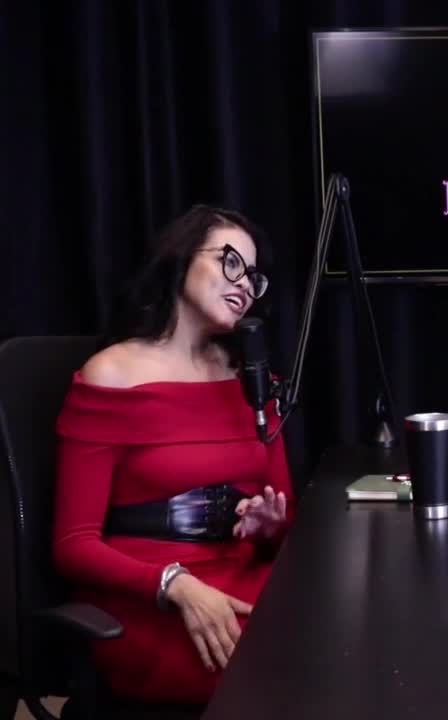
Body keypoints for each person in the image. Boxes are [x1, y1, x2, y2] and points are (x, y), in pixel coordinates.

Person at [52, 204, 292, 704]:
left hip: (245, 577)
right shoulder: (111, 374)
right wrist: (175, 585)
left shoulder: (253, 381)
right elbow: (73, 544)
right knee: (286, 668)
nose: (245, 285)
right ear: (182, 258)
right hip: (150, 599)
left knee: (343, 629)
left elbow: (287, 519)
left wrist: (270, 527)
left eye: (252, 276)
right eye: (230, 262)